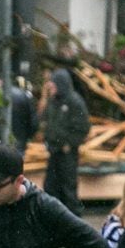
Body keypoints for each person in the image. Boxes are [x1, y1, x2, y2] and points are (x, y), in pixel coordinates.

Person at [41, 68, 91, 214]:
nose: (51, 88)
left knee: (68, 188)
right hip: (53, 150)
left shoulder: (75, 102)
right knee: (50, 186)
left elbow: (83, 129)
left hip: (67, 152)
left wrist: (69, 143)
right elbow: (46, 121)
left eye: (54, 85)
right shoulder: (53, 101)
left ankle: (74, 218)